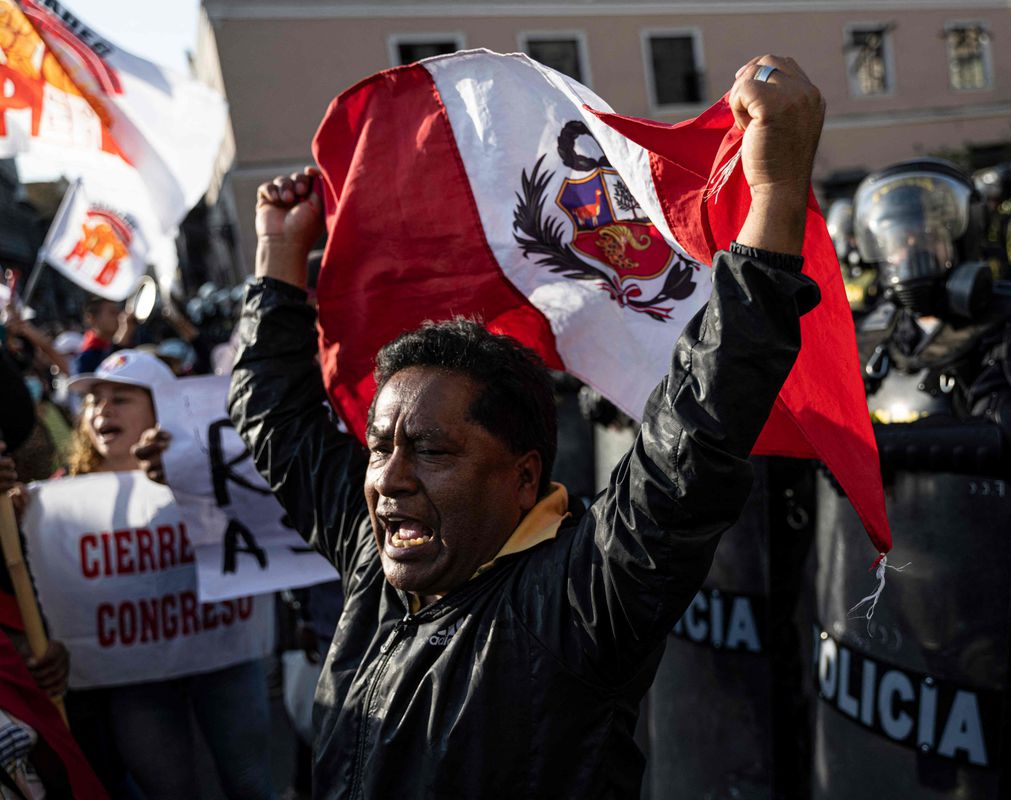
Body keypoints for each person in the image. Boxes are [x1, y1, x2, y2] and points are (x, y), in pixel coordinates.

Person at [230, 55, 823, 797]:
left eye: (432, 450)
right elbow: (277, 420)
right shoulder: (373, 566)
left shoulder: (571, 604)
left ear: (521, 478)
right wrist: (279, 257)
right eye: (380, 447)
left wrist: (773, 195)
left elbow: (694, 435)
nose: (388, 478)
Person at [852, 158, 1011, 798]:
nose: (913, 246)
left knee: (988, 756)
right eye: (899, 233)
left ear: (961, 235)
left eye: (928, 230)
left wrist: (882, 445)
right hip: (908, 579)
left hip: (995, 578)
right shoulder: (880, 338)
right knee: (925, 750)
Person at [60, 350, 276, 800]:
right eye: (96, 400)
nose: (104, 409)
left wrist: (190, 477)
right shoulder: (61, 495)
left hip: (223, 651)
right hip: (136, 676)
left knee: (252, 782)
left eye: (122, 398)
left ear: (163, 409)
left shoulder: (212, 469)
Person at [71, 297, 135, 375]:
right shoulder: (87, 357)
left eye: (118, 312)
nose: (119, 317)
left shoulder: (134, 340)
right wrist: (124, 333)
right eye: (112, 312)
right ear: (91, 318)